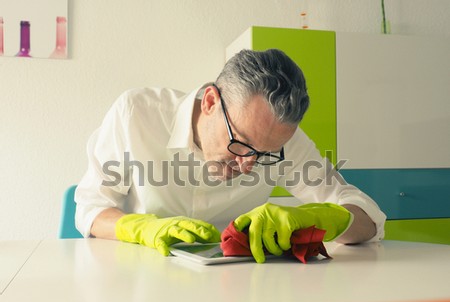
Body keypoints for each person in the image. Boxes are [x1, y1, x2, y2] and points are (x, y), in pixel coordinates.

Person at [75, 49, 386, 263]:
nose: (248, 164)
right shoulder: (137, 114)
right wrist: (141, 228)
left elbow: (370, 219)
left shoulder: (281, 141)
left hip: (236, 288)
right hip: (138, 280)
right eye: (242, 143)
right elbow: (90, 209)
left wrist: (322, 217)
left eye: (264, 154)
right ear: (210, 101)